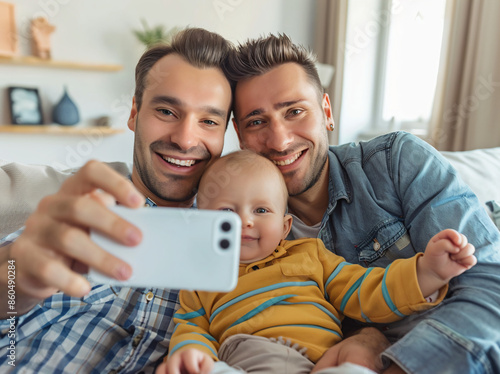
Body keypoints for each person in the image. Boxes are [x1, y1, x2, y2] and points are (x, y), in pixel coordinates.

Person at [225, 34, 500, 373]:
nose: (280, 140)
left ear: (326, 111)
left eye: (295, 111)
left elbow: (490, 285)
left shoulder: (397, 162)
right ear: (239, 134)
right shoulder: (235, 223)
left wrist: (397, 363)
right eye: (257, 121)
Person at [0, 28, 234, 373]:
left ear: (225, 131)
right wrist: (12, 283)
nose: (185, 140)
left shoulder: (244, 244)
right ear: (134, 113)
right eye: (167, 111)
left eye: (209, 121)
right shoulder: (78, 204)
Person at [157, 150, 476, 374]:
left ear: (285, 227)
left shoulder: (311, 255)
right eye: (226, 213)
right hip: (249, 357)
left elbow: (366, 290)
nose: (245, 222)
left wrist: (427, 272)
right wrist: (191, 354)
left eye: (261, 211)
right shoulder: (201, 277)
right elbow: (191, 327)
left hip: (323, 360)